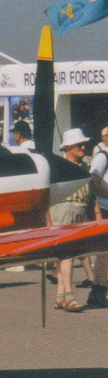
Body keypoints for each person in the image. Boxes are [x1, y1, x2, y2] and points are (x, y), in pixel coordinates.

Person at [49, 129, 94, 311]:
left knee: (69, 256)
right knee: (67, 255)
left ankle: (60, 296)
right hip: (64, 208)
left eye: (84, 144)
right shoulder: (59, 166)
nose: (83, 147)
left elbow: (90, 192)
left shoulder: (84, 165)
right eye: (79, 145)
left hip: (80, 208)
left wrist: (94, 214)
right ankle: (68, 295)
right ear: (68, 147)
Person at [86, 125, 108, 308]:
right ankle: (98, 291)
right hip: (105, 208)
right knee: (105, 254)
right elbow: (93, 181)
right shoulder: (103, 157)